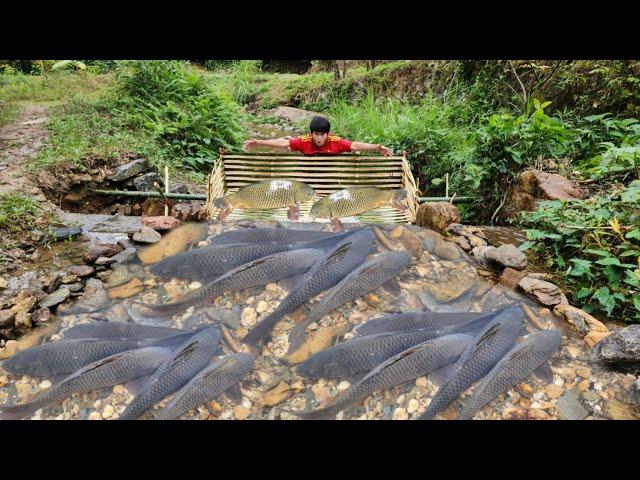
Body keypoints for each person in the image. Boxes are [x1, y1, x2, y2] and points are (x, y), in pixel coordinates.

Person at [243, 116, 394, 157]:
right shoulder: (306, 140)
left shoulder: (335, 141)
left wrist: (377, 147)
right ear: (312, 134)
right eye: (316, 135)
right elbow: (282, 144)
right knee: (289, 143)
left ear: (328, 134)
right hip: (309, 172)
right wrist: (259, 142)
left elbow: (354, 145)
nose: (319, 138)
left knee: (291, 143)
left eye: (322, 135)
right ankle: (292, 139)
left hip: (329, 174)